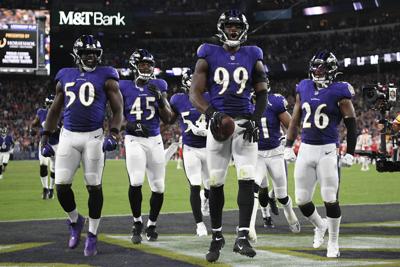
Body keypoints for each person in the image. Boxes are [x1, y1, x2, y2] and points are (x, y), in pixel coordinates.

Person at [189, 10, 269, 262]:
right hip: (219, 125)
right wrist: (212, 113)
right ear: (222, 28)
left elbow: (263, 92)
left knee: (247, 178)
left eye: (237, 27)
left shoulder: (254, 54)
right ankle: (217, 236)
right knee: (215, 182)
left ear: (243, 29)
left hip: (244, 123)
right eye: (229, 26)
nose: (233, 31)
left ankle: (242, 237)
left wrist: (256, 118)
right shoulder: (207, 53)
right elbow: (195, 93)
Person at [41, 35, 123, 256]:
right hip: (68, 135)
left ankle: (93, 234)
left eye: (95, 53)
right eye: (87, 52)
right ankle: (75, 220)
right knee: (61, 185)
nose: (91, 56)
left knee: (94, 185)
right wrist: (45, 136)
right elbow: (55, 110)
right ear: (77, 54)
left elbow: (118, 111)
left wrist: (114, 133)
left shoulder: (107, 76)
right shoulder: (65, 76)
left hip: (94, 137)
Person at [284, 50, 357, 258]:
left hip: (327, 150)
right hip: (306, 148)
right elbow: (295, 118)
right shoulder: (304, 86)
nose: (317, 71)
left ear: (332, 69)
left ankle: (333, 243)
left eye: (322, 67)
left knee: (329, 197)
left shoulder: (340, 90)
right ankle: (320, 225)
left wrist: (350, 151)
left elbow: (351, 124)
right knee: (301, 199)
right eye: (315, 66)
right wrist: (289, 145)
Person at [120, 49, 173, 245]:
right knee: (135, 180)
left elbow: (168, 118)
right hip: (134, 139)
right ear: (135, 66)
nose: (146, 68)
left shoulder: (159, 84)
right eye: (142, 64)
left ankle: (151, 224)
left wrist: (160, 98)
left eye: (149, 65)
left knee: (159, 187)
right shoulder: (123, 86)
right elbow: (116, 112)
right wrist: (127, 125)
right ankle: (136, 223)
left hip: (155, 139)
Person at [249, 93, 300, 242]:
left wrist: (287, 138)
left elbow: (291, 124)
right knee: (253, 188)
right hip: (257, 154)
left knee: (282, 196)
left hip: (276, 154)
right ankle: (249, 226)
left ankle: (289, 213)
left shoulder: (274, 102)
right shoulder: (245, 103)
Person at [170, 69, 210, 237]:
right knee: (194, 185)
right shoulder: (178, 99)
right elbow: (169, 118)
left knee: (211, 187)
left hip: (209, 148)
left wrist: (209, 131)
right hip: (190, 149)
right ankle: (199, 224)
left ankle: (206, 199)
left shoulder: (211, 97)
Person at [30, 95, 60, 199]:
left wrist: (58, 129)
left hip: (56, 144)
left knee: (54, 168)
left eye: (51, 104)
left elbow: (65, 128)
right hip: (44, 143)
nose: (49, 106)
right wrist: (32, 129)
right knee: (43, 165)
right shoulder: (41, 112)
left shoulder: (60, 113)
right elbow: (34, 124)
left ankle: (51, 189)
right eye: (48, 104)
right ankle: (45, 188)